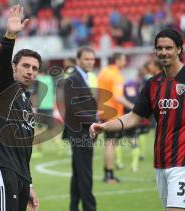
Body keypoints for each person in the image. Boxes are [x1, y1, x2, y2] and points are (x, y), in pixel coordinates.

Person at [90, 28, 185, 211]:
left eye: (169, 48)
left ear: (179, 49)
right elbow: (134, 117)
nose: (163, 52)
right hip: (161, 164)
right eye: (159, 48)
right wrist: (104, 126)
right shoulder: (153, 84)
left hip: (182, 164)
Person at [0, 5, 40, 211]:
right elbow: (3, 62)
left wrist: (29, 182)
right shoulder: (6, 87)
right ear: (14, 67)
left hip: (21, 176)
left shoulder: (26, 100)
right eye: (25, 66)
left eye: (34, 68)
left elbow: (25, 149)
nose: (30, 71)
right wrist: (9, 37)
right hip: (3, 168)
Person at [62, 47, 97, 211]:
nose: (90, 62)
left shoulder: (84, 78)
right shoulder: (73, 79)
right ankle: (90, 208)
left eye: (92, 59)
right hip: (79, 132)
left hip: (81, 131)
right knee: (85, 174)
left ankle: (73, 207)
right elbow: (72, 107)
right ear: (78, 60)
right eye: (86, 59)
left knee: (78, 174)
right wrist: (95, 119)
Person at [97, 53, 133, 183]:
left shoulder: (103, 72)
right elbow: (118, 97)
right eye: (124, 59)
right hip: (113, 114)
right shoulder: (116, 75)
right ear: (117, 60)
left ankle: (107, 172)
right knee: (111, 144)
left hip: (103, 111)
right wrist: (133, 106)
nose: (125, 62)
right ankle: (109, 175)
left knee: (109, 143)